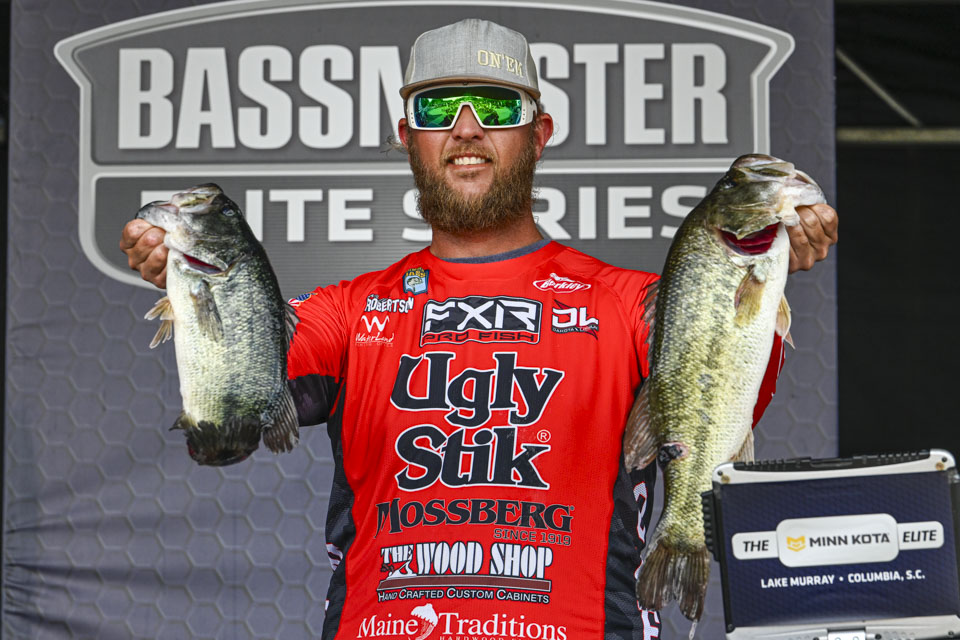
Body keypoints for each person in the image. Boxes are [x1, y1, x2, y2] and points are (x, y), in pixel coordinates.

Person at [120, 18, 838, 639]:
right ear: (408, 136)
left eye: (496, 105)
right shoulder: (348, 310)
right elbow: (237, 421)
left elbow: (725, 401)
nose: (467, 128)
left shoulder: (633, 302)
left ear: (539, 133)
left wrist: (764, 273)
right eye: (438, 107)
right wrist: (200, 286)